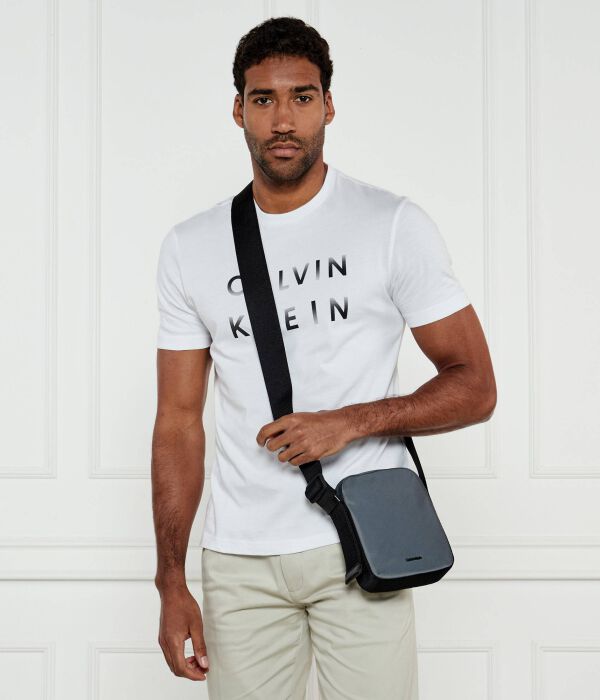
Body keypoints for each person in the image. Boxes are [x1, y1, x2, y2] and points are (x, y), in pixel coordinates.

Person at [151, 16, 496, 700]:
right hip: (240, 558)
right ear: (238, 109)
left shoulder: (390, 224)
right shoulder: (191, 246)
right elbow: (177, 421)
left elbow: (476, 386)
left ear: (329, 106)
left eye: (302, 97)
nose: (283, 120)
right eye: (263, 99)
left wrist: (349, 423)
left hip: (361, 541)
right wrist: (169, 580)